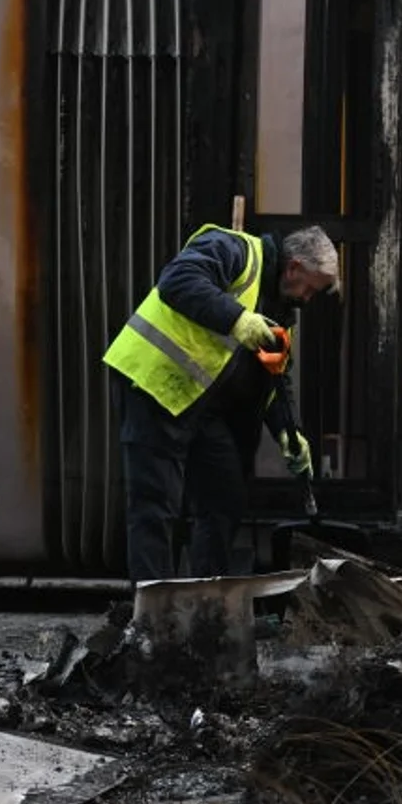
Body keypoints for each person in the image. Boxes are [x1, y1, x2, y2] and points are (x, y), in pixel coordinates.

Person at [104, 223, 341, 581]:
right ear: (293, 267)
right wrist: (236, 319)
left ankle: (207, 604)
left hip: (199, 405)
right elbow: (177, 281)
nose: (307, 298)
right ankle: (153, 616)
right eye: (310, 287)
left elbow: (272, 378)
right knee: (155, 504)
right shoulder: (234, 250)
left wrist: (288, 434)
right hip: (153, 386)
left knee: (224, 497)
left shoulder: (281, 308)